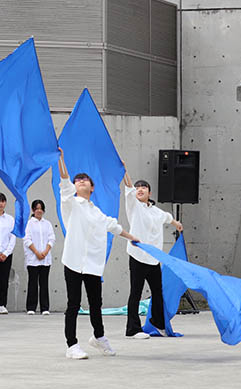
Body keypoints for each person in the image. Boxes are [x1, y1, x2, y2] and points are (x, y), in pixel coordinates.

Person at [57, 149, 139, 359]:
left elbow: (114, 227)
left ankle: (99, 337)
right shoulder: (71, 204)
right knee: (73, 303)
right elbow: (64, 184)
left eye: (85, 180)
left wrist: (132, 238)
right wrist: (61, 159)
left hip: (93, 264)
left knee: (96, 303)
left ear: (92, 187)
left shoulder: (97, 212)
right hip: (74, 261)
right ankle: (71, 345)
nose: (80, 181)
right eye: (78, 180)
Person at [123, 166, 183, 338]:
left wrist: (177, 224)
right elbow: (127, 187)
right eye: (137, 187)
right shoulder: (134, 206)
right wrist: (125, 170)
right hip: (137, 256)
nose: (139, 189)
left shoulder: (157, 212)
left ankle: (158, 323)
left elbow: (168, 218)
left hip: (153, 259)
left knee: (158, 293)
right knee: (135, 292)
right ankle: (133, 329)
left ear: (149, 192)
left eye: (143, 187)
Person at [23, 199, 56, 316]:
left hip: (45, 259)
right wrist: (37, 252)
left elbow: (52, 238)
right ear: (33, 210)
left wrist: (45, 251)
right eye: (37, 208)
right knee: (32, 283)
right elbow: (27, 239)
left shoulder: (47, 224)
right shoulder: (29, 224)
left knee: (44, 283)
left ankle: (45, 307)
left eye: (41, 208)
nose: (39, 211)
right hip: (33, 258)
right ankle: (31, 307)